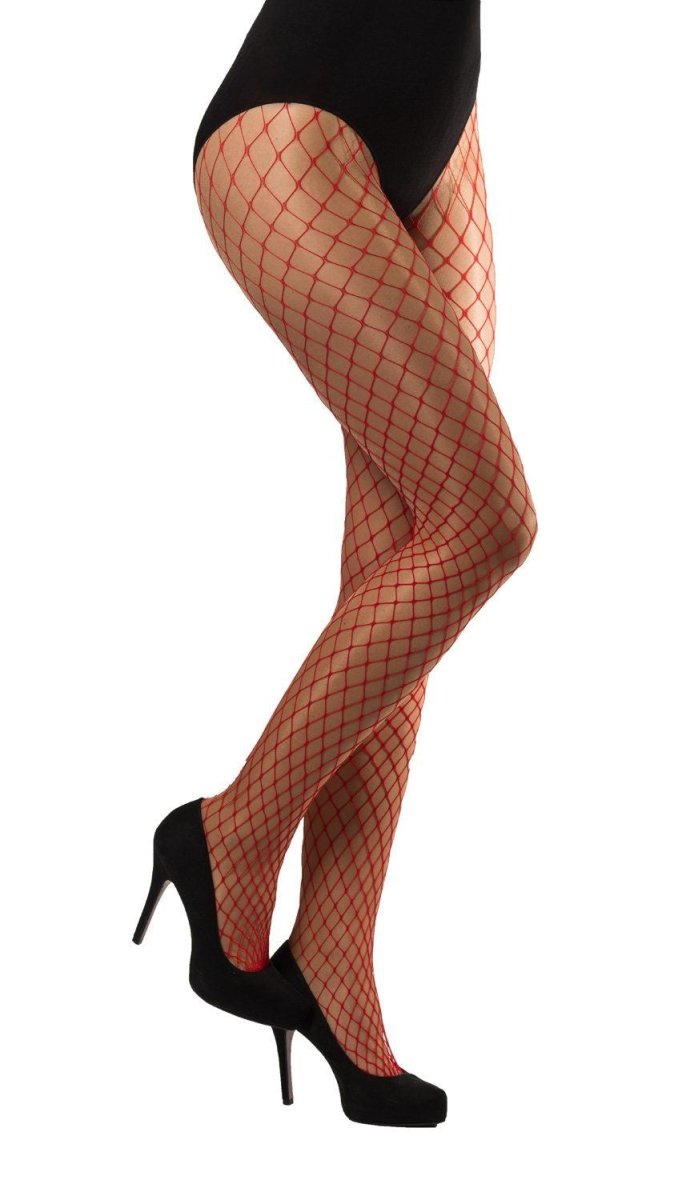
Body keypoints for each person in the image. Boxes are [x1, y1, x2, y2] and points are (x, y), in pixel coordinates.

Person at [134, 0, 538, 1128]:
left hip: (440, 127)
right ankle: (229, 836)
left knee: (410, 554)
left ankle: (334, 956)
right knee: (486, 524)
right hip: (294, 124)